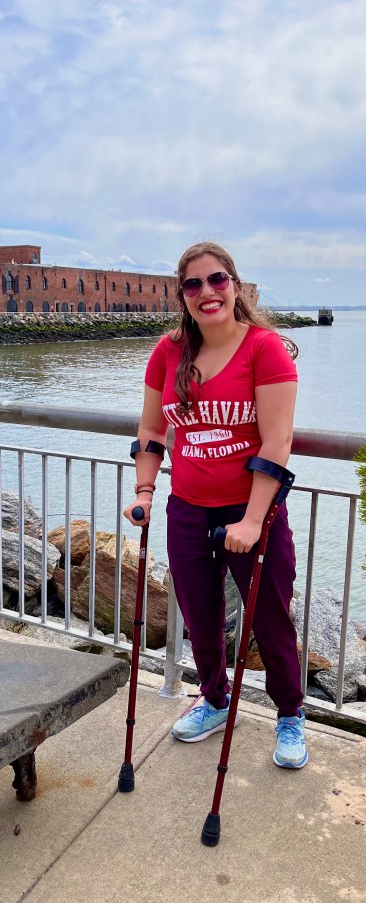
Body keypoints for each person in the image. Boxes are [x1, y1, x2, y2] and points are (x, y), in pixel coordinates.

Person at [124, 241, 307, 768]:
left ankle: (290, 714)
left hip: (254, 514)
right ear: (182, 295)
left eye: (217, 280)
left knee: (269, 617)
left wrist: (250, 520)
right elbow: (152, 429)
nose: (207, 292)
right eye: (193, 284)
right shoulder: (169, 351)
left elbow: (277, 444)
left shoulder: (264, 349)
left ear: (235, 285)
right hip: (187, 508)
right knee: (200, 618)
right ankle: (215, 698)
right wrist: (144, 492)